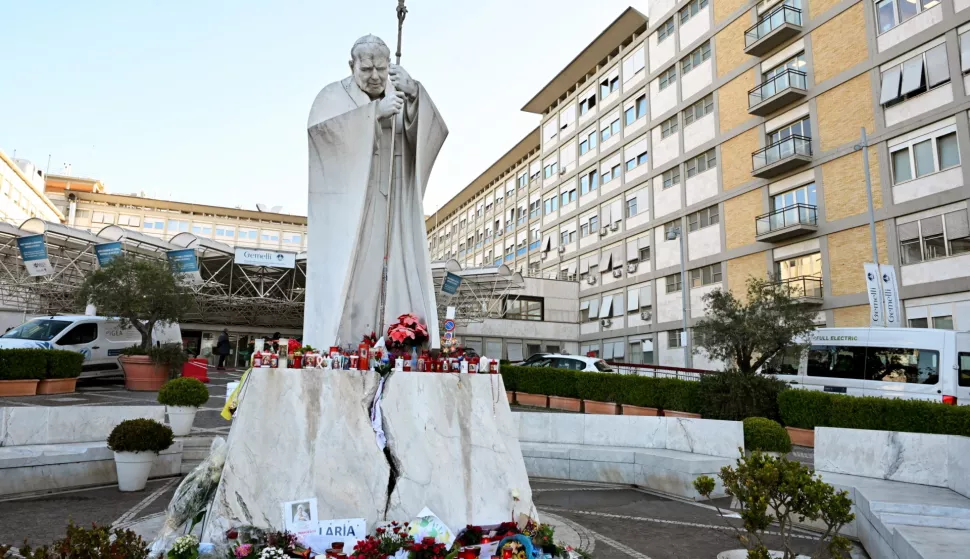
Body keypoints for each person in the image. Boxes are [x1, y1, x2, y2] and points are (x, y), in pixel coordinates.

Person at [304, 34, 446, 349]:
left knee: (398, 265)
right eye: (366, 68)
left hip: (394, 200)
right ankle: (345, 342)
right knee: (356, 270)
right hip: (354, 204)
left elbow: (430, 135)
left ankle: (397, 338)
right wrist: (374, 115)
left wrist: (415, 97)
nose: (375, 76)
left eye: (381, 69)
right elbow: (322, 138)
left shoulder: (400, 91)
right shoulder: (331, 97)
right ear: (351, 65)